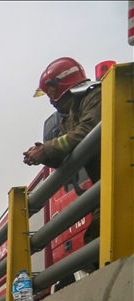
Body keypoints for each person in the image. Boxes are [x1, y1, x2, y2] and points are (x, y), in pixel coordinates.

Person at [24, 57, 102, 275]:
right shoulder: (67, 117)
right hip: (105, 183)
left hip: (120, 175)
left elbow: (87, 131)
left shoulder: (96, 96)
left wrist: (48, 148)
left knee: (99, 240)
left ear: (58, 88)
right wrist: (43, 154)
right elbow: (67, 153)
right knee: (95, 243)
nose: (50, 101)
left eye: (50, 93)